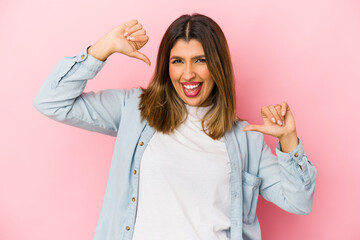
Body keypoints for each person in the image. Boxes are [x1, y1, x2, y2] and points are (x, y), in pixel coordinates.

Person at [33, 13, 317, 240]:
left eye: (200, 60)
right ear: (166, 66)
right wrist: (101, 48)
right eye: (177, 61)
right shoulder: (134, 110)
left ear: (217, 66)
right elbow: (51, 101)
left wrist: (289, 141)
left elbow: (299, 202)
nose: (188, 73)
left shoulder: (245, 139)